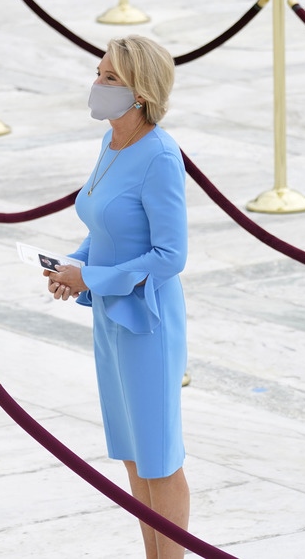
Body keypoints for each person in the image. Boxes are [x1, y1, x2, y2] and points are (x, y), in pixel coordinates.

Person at [43, 35, 190, 559]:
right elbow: (106, 228)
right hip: (110, 317)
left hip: (147, 324)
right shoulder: (110, 142)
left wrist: (94, 279)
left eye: (111, 79)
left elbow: (169, 256)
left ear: (141, 93)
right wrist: (75, 264)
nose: (97, 85)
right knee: (131, 451)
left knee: (159, 457)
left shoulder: (160, 157)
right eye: (99, 73)